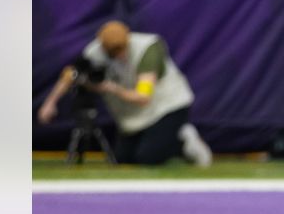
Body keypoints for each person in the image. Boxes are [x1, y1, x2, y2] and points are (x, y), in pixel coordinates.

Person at [37, 20, 212, 167]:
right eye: (113, 52)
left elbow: (143, 97)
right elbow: (70, 74)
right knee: (124, 160)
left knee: (148, 158)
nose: (119, 55)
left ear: (127, 38)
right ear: (103, 47)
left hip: (167, 108)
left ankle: (183, 141)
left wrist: (110, 88)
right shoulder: (94, 53)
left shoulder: (147, 49)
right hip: (134, 117)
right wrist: (50, 103)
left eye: (121, 49)